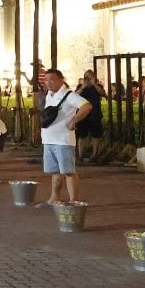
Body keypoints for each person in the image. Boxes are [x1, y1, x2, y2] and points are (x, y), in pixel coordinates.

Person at [38, 68, 92, 207]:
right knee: (55, 172)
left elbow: (86, 106)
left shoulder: (69, 95)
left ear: (61, 80)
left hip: (63, 141)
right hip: (49, 140)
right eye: (46, 80)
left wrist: (74, 121)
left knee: (68, 171)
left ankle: (73, 201)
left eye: (52, 80)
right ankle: (54, 198)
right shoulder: (49, 94)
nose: (48, 83)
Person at [76, 70, 105, 161]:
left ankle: (94, 155)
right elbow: (74, 96)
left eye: (90, 77)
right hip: (82, 114)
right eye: (86, 77)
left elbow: (103, 93)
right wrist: (82, 87)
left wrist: (94, 84)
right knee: (81, 135)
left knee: (95, 135)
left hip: (95, 114)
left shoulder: (98, 86)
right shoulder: (80, 87)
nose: (88, 79)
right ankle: (80, 155)